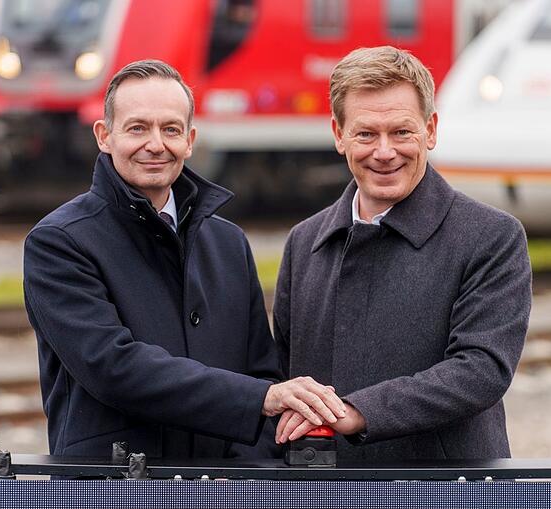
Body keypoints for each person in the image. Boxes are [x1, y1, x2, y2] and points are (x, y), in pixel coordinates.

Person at [23, 59, 346, 459]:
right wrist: (260, 398)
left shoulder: (228, 243)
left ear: (190, 140)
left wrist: (251, 469)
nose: (156, 144)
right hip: (113, 498)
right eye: (137, 128)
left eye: (170, 129)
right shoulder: (59, 242)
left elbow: (261, 370)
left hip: (224, 498)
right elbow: (112, 368)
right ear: (104, 136)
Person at [272, 47, 532, 460]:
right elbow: (283, 372)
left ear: (430, 130)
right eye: (366, 134)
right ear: (339, 136)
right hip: (324, 496)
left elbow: (481, 370)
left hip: (448, 502)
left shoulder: (492, 237)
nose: (384, 151)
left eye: (401, 132)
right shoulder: (305, 241)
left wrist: (360, 412)